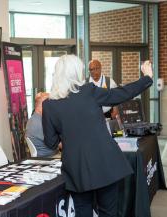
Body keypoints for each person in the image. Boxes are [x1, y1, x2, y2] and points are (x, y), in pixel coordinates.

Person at [42, 54, 153, 217]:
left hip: (76, 169)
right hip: (105, 163)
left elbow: (51, 142)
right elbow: (121, 94)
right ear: (76, 73)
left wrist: (70, 140)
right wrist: (147, 77)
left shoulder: (49, 105)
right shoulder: (89, 91)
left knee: (83, 212)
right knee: (108, 212)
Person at [26, 92, 60, 157]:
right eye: (50, 105)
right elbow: (59, 145)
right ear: (41, 106)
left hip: (46, 155)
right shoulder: (40, 123)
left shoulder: (33, 119)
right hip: (49, 157)